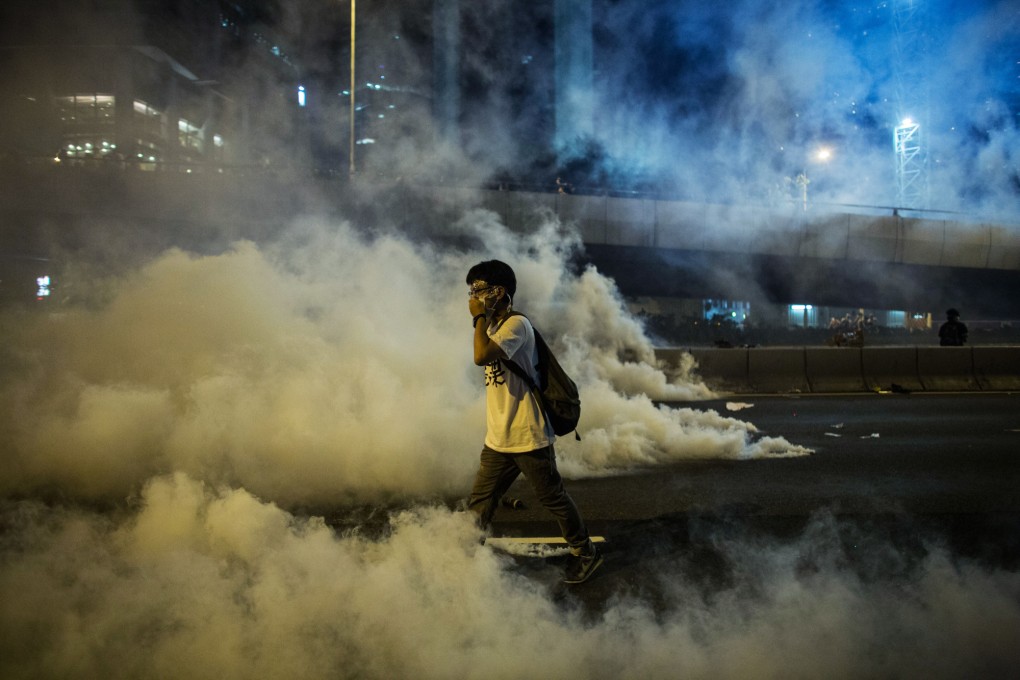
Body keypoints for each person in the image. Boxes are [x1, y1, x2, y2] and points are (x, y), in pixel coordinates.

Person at [464, 259, 603, 584]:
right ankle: (466, 559)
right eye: (470, 291)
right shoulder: (493, 327)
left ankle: (585, 552)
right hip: (497, 439)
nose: (472, 297)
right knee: (480, 503)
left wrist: (478, 317)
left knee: (553, 498)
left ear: (499, 292)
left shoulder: (516, 325)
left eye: (478, 290)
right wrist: (482, 319)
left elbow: (481, 357)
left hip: (528, 436)